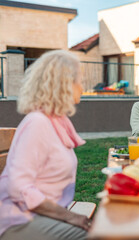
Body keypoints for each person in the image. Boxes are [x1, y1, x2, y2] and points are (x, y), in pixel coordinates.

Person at [0, 50, 90, 240]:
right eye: (79, 81)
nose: (82, 88)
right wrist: (70, 216)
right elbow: (19, 188)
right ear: (64, 85)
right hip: (18, 219)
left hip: (41, 215)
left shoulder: (56, 121)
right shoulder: (38, 123)